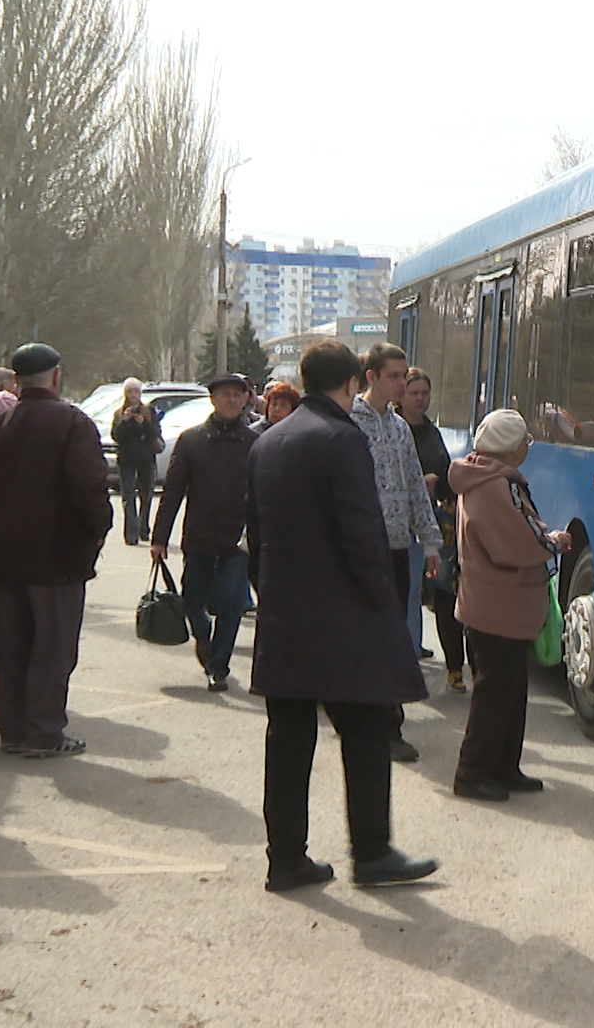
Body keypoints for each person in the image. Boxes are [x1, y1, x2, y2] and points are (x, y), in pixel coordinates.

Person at [248, 339, 437, 892]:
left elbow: (256, 535)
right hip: (342, 619)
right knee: (367, 731)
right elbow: (361, 531)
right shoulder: (342, 438)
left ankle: (285, 858)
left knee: (287, 739)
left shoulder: (269, 442)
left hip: (284, 616)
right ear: (353, 382)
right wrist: (380, 599)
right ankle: (372, 854)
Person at [0, 343, 112, 760]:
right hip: (56, 557)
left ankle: (12, 729)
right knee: (52, 647)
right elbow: (88, 487)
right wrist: (97, 531)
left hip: (3, 554)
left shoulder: (0, 426)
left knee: (13, 646)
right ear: (56, 376)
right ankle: (43, 732)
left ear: (15, 380)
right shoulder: (71, 422)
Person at [448, 409, 570, 802]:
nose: (527, 448)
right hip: (497, 605)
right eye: (524, 440)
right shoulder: (494, 486)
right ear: (511, 446)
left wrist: (544, 537)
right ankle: (473, 773)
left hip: (496, 603)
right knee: (494, 693)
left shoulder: (485, 478)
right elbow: (514, 542)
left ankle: (502, 767)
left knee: (509, 691)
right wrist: (552, 542)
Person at [352, 343, 442, 762]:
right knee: (365, 639)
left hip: (397, 547)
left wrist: (431, 541)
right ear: (371, 377)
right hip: (359, 549)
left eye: (404, 376)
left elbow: (413, 490)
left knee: (392, 640)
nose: (402, 384)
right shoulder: (351, 423)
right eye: (393, 376)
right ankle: (366, 722)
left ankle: (389, 727)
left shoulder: (400, 428)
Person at [151, 373, 258, 691]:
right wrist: (159, 538)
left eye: (238, 395)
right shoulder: (192, 440)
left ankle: (218, 666)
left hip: (237, 541)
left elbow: (265, 493)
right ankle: (205, 641)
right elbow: (172, 491)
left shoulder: (254, 443)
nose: (232, 400)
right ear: (213, 399)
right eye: (225, 394)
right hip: (198, 537)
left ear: (245, 400)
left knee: (232, 603)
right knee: (193, 602)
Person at [402, 367, 464, 691]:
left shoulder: (431, 431)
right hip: (402, 521)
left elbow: (444, 470)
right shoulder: (395, 428)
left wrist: (445, 492)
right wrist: (418, 484)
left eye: (425, 393)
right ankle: (407, 655)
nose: (421, 399)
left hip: (431, 522)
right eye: (414, 393)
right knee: (409, 590)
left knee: (426, 589)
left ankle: (412, 649)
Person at [111, 378, 160, 546]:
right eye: (130, 392)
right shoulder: (119, 413)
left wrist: (144, 423)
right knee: (128, 495)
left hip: (146, 458)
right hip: (126, 459)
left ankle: (143, 528)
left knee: (146, 494)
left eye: (136, 392)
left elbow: (155, 434)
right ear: (125, 394)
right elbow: (116, 436)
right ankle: (131, 534)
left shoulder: (148, 411)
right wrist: (124, 422)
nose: (133, 395)